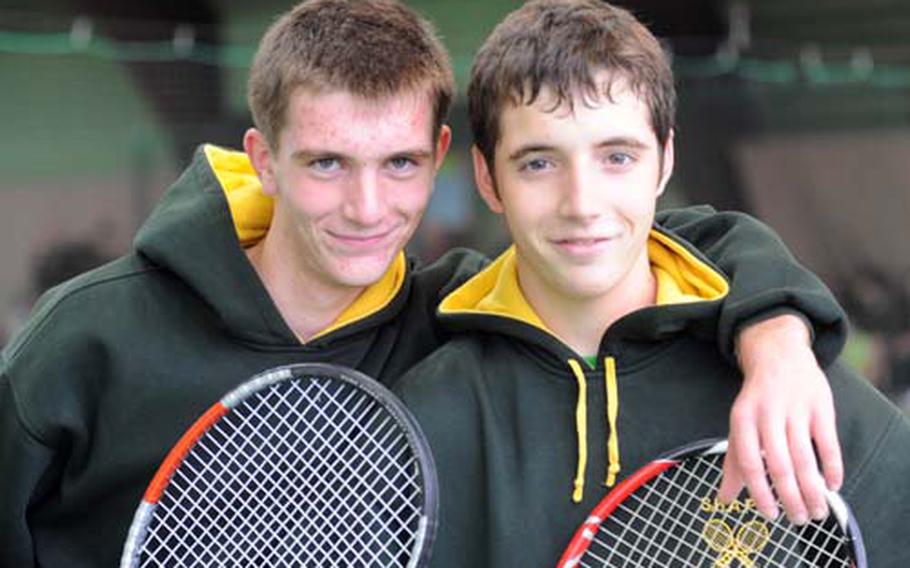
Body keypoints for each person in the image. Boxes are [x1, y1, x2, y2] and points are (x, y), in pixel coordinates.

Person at [0, 0, 849, 566]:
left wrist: (776, 337)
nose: (367, 208)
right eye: (327, 162)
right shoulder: (86, 335)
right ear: (264, 159)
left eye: (399, 164)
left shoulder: (446, 317)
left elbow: (653, 238)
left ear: (445, 162)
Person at [393, 1, 910, 566]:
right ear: (489, 180)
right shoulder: (425, 415)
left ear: (663, 163)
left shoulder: (785, 386)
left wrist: (776, 342)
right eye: (539, 163)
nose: (582, 204)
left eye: (617, 157)